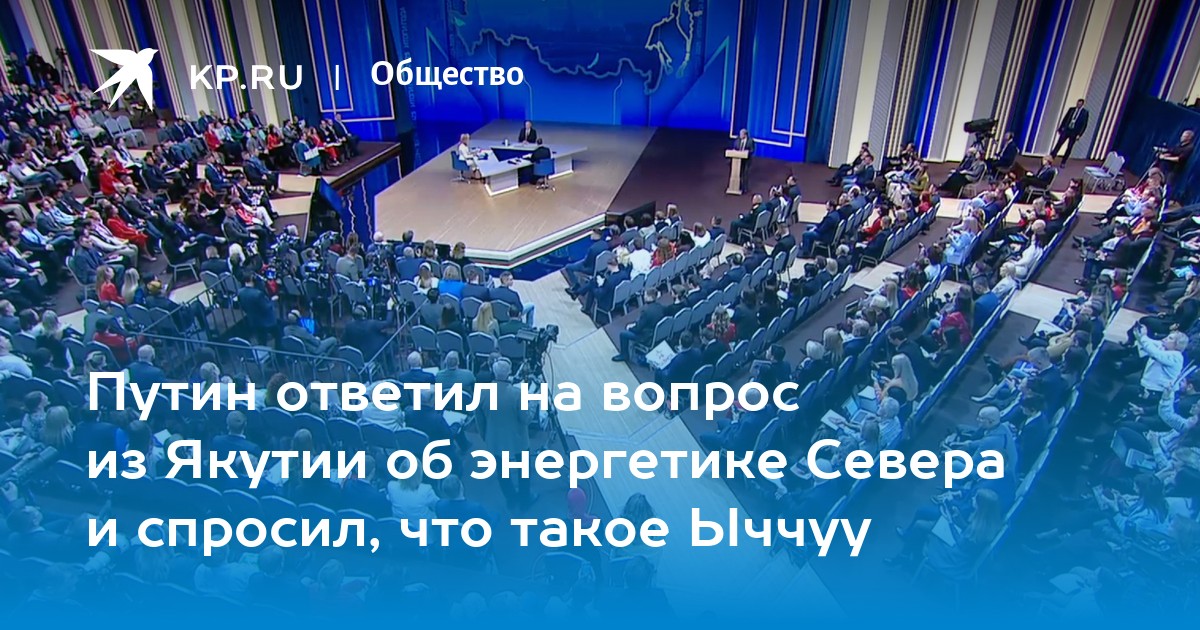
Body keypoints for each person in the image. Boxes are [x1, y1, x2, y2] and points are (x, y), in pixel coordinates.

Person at [479, 358, 536, 510]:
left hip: (495, 440)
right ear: (509, 373)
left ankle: (511, 498)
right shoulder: (517, 394)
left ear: (493, 372)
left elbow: (480, 421)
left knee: (502, 472)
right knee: (523, 471)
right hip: (518, 440)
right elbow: (526, 419)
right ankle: (525, 500)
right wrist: (532, 403)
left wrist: (486, 437)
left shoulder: (482, 393)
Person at [1051, 99, 1089, 166]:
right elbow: (1065, 119)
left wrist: (1079, 134)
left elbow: (1084, 125)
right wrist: (1061, 128)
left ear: (1082, 105)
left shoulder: (1085, 113)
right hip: (1067, 130)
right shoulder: (1071, 109)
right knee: (1059, 144)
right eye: (1077, 103)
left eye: (1079, 104)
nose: (1078, 105)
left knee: (1069, 147)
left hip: (1074, 132)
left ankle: (1063, 162)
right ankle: (1051, 158)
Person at [732, 128, 755, 192]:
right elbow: (735, 147)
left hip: (746, 160)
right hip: (737, 160)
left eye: (741, 134)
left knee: (745, 174)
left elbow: (752, 150)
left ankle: (745, 188)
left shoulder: (750, 141)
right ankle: (737, 186)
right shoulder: (737, 139)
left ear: (745, 135)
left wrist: (746, 152)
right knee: (738, 173)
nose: (740, 136)